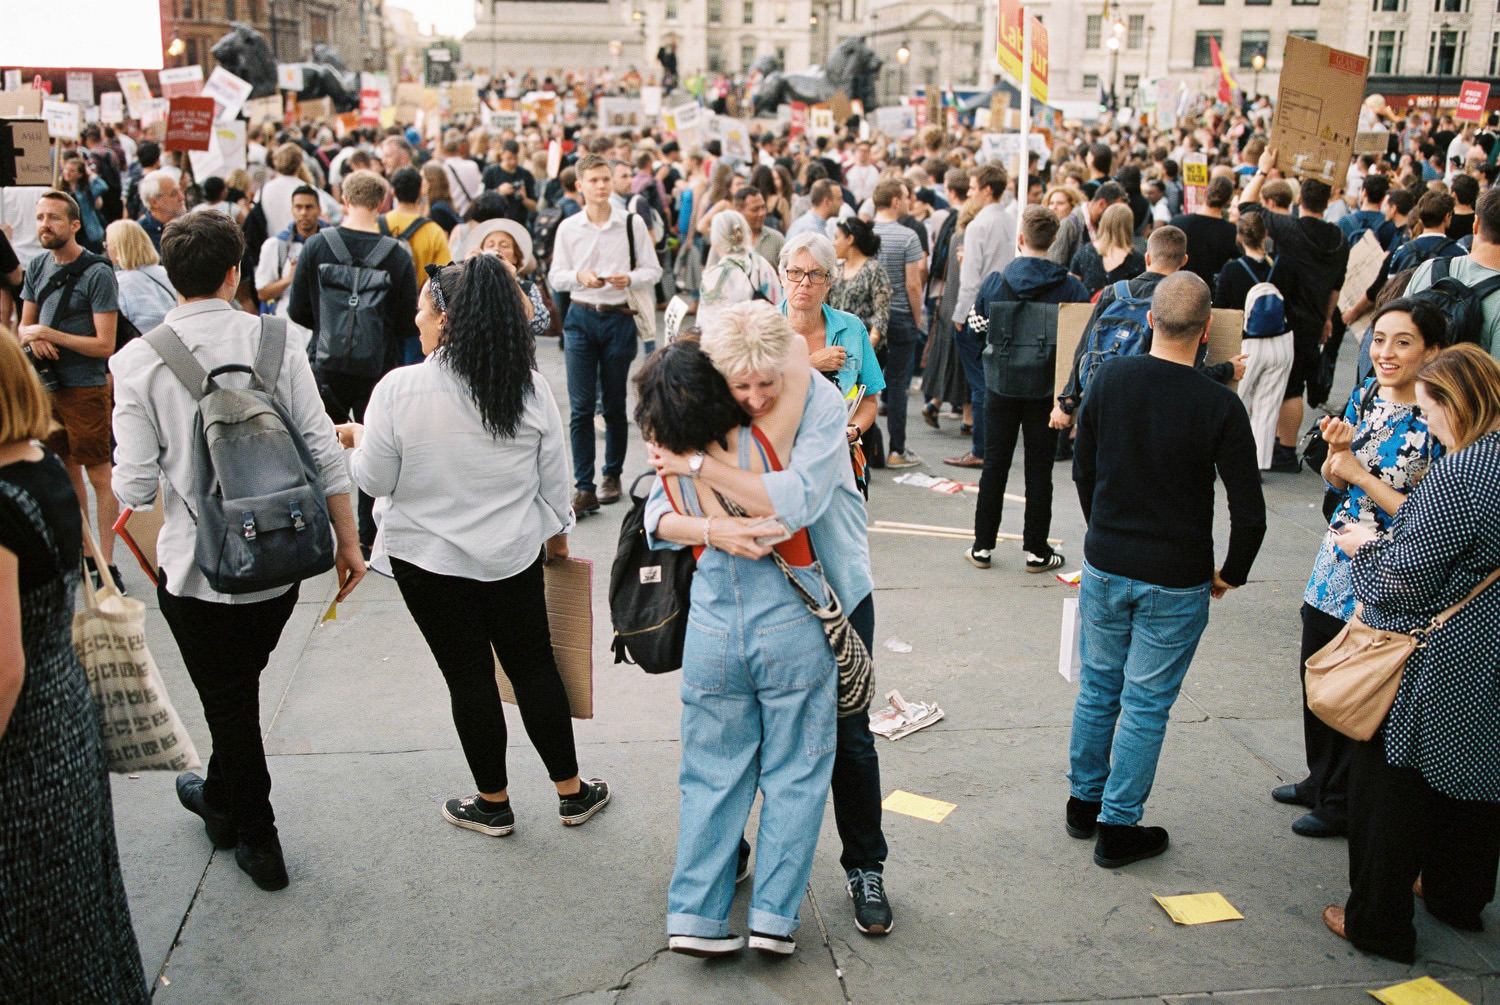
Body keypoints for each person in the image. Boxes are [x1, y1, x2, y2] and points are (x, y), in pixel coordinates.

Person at [110, 210, 366, 891]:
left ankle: (258, 839)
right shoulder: (280, 341)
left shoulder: (137, 360)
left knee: (229, 705)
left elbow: (133, 486)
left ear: (168, 275)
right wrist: (349, 540)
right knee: (238, 692)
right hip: (281, 564)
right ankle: (219, 800)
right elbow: (321, 447)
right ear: (235, 271)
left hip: (196, 569)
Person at [341, 255, 608, 840]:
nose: (416, 320)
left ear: (444, 319)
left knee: (468, 679)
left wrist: (357, 440)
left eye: (422, 308)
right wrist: (557, 544)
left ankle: (494, 803)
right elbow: (556, 487)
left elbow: (375, 480)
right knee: (534, 665)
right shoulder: (529, 388)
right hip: (511, 555)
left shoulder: (398, 389)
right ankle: (571, 791)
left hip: (426, 562)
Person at [639, 303, 877, 954]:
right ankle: (772, 918)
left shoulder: (687, 417)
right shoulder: (811, 407)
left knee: (713, 766)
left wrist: (698, 486)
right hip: (796, 600)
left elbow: (655, 511)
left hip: (715, 606)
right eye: (741, 384)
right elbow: (795, 501)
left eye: (765, 381)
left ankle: (695, 915)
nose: (754, 395)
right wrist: (723, 521)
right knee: (798, 767)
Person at [1066, 271, 1266, 869]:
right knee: (1147, 703)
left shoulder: (1109, 379)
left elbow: (1082, 468)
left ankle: (1083, 801)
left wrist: (1102, 529)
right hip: (1177, 574)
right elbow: (1248, 512)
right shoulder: (1220, 405)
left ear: (1150, 320)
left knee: (1099, 685)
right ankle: (1118, 826)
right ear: (1208, 332)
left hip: (1107, 560)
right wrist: (1231, 572)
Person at [1323, 343, 1500, 964]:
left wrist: (1361, 550)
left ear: (1458, 403)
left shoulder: (1462, 474)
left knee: (1389, 787)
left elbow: (1404, 580)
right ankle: (1459, 895)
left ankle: (1377, 921)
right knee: (1478, 776)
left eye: (1428, 413)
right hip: (1490, 645)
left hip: (1437, 650)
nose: (1426, 425)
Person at [0, 333, 149, 1004]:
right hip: (63, 705)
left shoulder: (3, 498)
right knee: (80, 896)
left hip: (26, 735)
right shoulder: (42, 464)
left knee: (33, 918)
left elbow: (5, 665)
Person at [1280, 298, 1447, 842]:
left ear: (1433, 351)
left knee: (1360, 680)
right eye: (1379, 340)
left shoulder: (1440, 420)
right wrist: (1334, 466)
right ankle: (1319, 778)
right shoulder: (1366, 396)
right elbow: (1339, 481)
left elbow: (1433, 515)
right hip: (1335, 557)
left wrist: (1358, 474)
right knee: (1316, 664)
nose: (1386, 353)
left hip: (1389, 567)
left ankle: (1342, 801)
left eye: (1403, 342)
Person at [287, 170, 420, 554]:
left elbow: (298, 310)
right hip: (377, 369)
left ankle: (315, 531)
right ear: (381, 203)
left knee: (317, 445)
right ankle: (368, 536)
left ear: (344, 200)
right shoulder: (396, 255)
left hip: (326, 364)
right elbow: (405, 322)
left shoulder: (316, 246)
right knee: (373, 447)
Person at [964, 205, 1090, 575]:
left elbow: (975, 327)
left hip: (1001, 386)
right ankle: (1036, 549)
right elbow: (1078, 344)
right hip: (1044, 390)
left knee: (995, 466)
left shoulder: (996, 281)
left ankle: (982, 545)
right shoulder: (1071, 286)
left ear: (1020, 239)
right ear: (1053, 241)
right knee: (1039, 471)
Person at [18, 190, 122, 594]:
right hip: (47, 387)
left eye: (54, 218)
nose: (45, 224)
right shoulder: (36, 265)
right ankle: (84, 554)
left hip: (85, 387)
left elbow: (104, 344)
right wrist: (34, 338)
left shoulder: (96, 272)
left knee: (99, 473)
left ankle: (108, 563)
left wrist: (49, 333)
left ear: (75, 225)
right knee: (64, 473)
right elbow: (24, 328)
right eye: (40, 217)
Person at [548, 153, 661, 515]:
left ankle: (611, 474)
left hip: (618, 316)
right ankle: (584, 486)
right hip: (581, 314)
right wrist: (578, 276)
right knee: (580, 408)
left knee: (614, 403)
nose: (601, 186)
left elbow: (653, 270)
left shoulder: (631, 223)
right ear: (579, 185)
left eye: (605, 179)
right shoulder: (569, 227)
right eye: (594, 180)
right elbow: (556, 276)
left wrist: (630, 278)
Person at [1240, 147, 1350, 471]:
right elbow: (1336, 286)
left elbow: (1246, 205)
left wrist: (1262, 170)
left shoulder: (1290, 229)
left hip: (1284, 320)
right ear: (1328, 200)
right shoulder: (1339, 238)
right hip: (1315, 319)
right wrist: (1328, 318)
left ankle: (1278, 450)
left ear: (1300, 198)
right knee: (1295, 386)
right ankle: (1286, 449)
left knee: (1280, 385)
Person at [948, 164, 1017, 467]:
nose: (970, 192)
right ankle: (991, 446)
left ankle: (980, 449)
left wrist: (960, 313)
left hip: (978, 307)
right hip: (1005, 306)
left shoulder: (978, 225)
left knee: (979, 381)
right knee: (992, 380)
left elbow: (971, 278)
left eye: (974, 186)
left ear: (988, 188)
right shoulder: (1012, 219)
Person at [871, 179, 928, 469]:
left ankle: (864, 443)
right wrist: (918, 319)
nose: (908, 201)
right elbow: (913, 283)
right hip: (901, 316)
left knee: (866, 382)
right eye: (906, 196)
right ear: (895, 201)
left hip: (870, 321)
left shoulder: (864, 233)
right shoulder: (908, 236)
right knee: (897, 385)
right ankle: (897, 449)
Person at [462, 218, 551, 336]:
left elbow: (540, 324)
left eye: (504, 245)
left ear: (515, 257)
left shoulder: (527, 288)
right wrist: (468, 270)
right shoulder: (471, 284)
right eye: (490, 245)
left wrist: (512, 281)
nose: (496, 249)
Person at [697, 210, 784, 329]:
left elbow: (705, 326)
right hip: (766, 337)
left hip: (732, 342)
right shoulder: (761, 263)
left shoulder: (715, 275)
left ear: (715, 238)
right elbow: (778, 302)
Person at [255, 184, 326, 326]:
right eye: (298, 207)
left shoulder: (332, 244)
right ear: (292, 210)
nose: (303, 213)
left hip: (323, 326)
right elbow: (263, 293)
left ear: (319, 209)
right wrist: (289, 279)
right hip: (286, 327)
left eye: (309, 207)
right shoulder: (276, 245)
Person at [827, 216, 891, 360]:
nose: (834, 243)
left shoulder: (874, 270)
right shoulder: (836, 269)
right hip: (838, 349)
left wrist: (868, 346)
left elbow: (881, 313)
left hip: (864, 350)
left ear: (850, 239)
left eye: (837, 238)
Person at [105, 219, 177, 336]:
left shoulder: (118, 283)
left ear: (118, 248)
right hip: (175, 340)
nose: (107, 250)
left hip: (144, 344)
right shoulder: (166, 272)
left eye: (107, 245)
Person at [1168, 176, 1239, 289]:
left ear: (1205, 192)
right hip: (1210, 293)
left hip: (1178, 289)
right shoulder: (1231, 231)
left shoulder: (1177, 223)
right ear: (1228, 201)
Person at [1070, 203, 1144, 298]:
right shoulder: (1137, 259)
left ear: (1103, 222)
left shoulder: (1084, 252)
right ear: (1129, 226)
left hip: (1086, 311)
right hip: (1120, 312)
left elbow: (1072, 288)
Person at [135, 170, 186, 252]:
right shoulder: (139, 235)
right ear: (154, 202)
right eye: (173, 194)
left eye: (179, 191)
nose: (181, 197)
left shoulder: (189, 223)